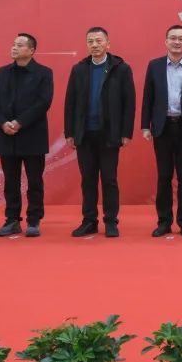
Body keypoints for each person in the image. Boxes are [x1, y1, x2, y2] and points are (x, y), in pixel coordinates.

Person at [64, 27, 135, 238]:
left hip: (109, 133)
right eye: (90, 41)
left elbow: (129, 103)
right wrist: (70, 132)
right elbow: (70, 102)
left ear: (108, 44)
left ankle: (111, 221)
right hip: (84, 133)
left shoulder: (121, 69)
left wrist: (126, 132)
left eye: (98, 41)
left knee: (109, 179)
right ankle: (89, 221)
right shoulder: (79, 69)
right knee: (88, 179)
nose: (94, 45)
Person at [141, 25, 182, 238]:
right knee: (164, 177)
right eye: (173, 38)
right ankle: (164, 221)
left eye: (181, 39)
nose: (177, 42)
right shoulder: (155, 66)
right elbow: (148, 97)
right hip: (162, 128)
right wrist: (145, 126)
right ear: (166, 41)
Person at [0, 33, 54, 238]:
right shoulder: (2, 72)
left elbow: (43, 102)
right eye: (13, 44)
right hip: (6, 135)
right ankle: (12, 220)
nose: (14, 48)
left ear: (31, 50)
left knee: (34, 181)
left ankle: (34, 220)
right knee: (10, 181)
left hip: (32, 135)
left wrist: (20, 122)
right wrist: (2, 123)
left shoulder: (44, 73)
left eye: (19, 45)